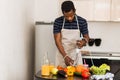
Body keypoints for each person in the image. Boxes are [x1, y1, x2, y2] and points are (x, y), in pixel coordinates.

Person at [53, 0, 89, 67]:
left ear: (74, 11)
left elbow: (86, 37)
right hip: (62, 55)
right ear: (63, 13)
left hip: (75, 54)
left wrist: (83, 42)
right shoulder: (58, 22)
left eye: (71, 16)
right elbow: (57, 41)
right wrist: (65, 56)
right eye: (66, 16)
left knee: (77, 76)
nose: (69, 18)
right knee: (60, 76)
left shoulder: (82, 21)